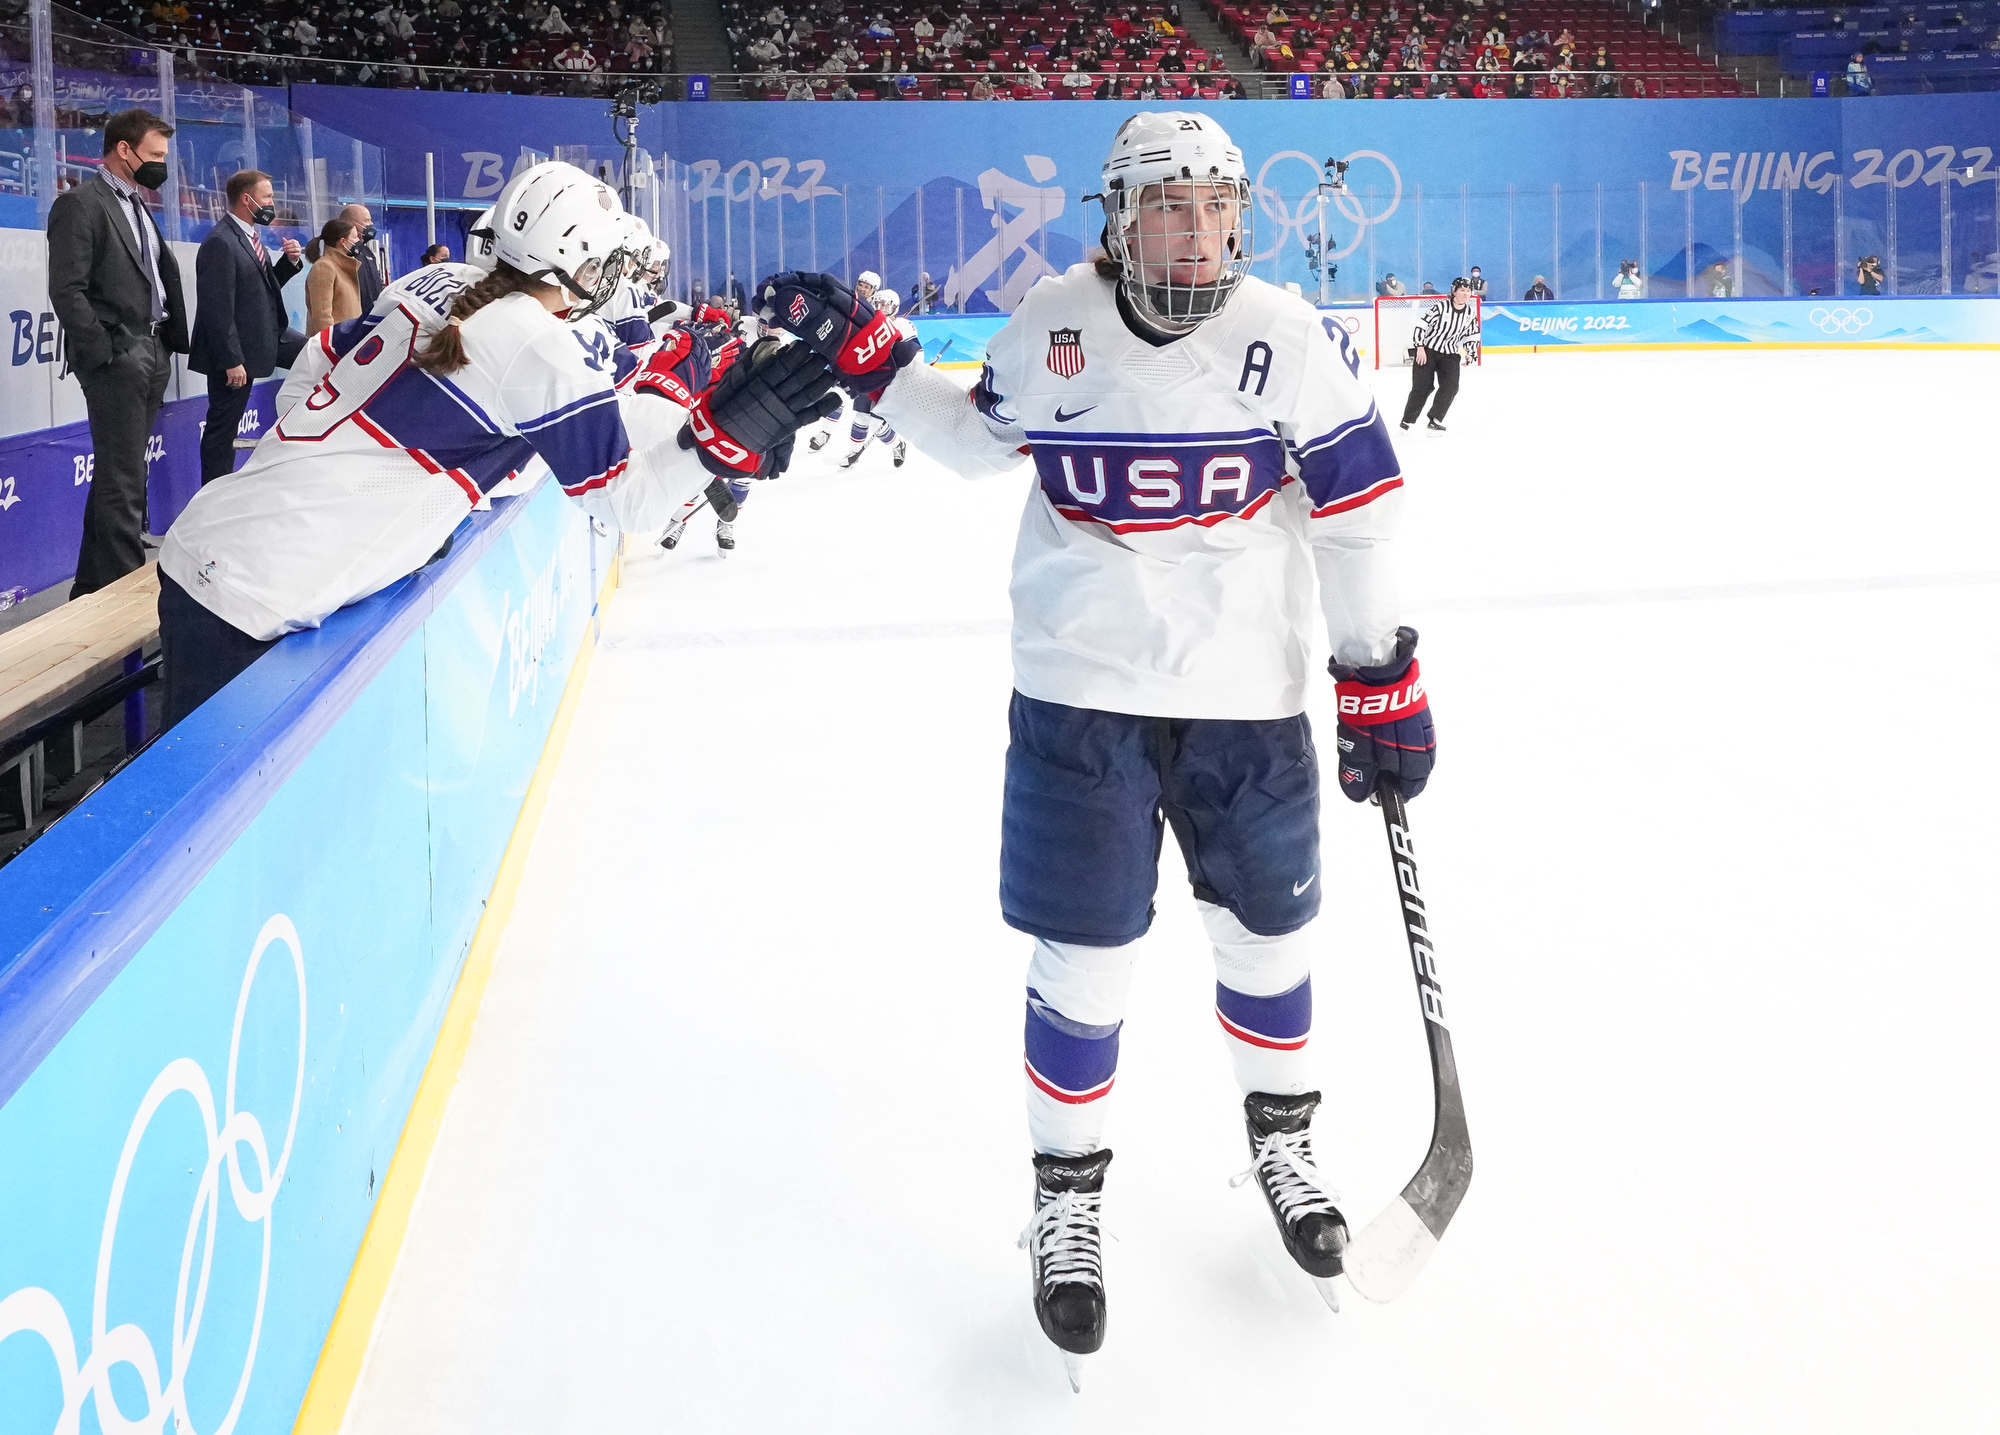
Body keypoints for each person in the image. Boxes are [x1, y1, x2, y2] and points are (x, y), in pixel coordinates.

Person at [757, 111, 1435, 1384]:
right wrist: (879, 363)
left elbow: (1357, 515)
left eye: (1215, 204)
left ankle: (1282, 1141)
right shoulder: (1053, 325)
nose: (1197, 227)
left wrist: (1376, 671)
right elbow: (971, 443)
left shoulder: (1286, 339)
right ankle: (1065, 1200)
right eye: (1168, 205)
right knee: (1084, 955)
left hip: (1247, 699)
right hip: (1076, 694)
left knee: (1269, 939)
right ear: (1117, 220)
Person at [155, 162, 840, 730]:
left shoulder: (435, 286)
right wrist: (724, 438)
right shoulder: (540, 343)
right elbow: (625, 501)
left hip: (218, 539)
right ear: (578, 259)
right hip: (258, 590)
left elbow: (310, 368)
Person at [46, 107, 190, 597]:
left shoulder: (138, 205)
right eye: (154, 155)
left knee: (122, 471)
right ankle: (123, 591)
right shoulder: (81, 204)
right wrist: (107, 351)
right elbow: (67, 290)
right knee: (123, 476)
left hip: (153, 349)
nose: (162, 166)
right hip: (118, 355)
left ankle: (90, 589)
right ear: (123, 150)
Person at [189, 169, 306, 485]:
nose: (273, 203)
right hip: (234, 352)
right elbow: (216, 309)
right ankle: (212, 498)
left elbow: (263, 291)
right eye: (267, 196)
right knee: (223, 427)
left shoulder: (251, 237)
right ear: (247, 199)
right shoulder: (221, 242)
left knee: (316, 353)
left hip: (263, 338)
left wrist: (289, 264)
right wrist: (231, 361)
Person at [831, 287, 917, 471]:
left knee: (877, 422)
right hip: (870, 376)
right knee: (861, 417)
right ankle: (853, 453)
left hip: (891, 381)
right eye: (878, 304)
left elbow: (915, 350)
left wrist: (911, 372)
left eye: (885, 305)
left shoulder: (902, 324)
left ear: (894, 307)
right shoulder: (871, 324)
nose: (881, 308)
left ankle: (897, 446)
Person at [1400, 277, 1478, 432]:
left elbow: (1472, 334)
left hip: (1449, 354)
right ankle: (1408, 420)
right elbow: (1422, 324)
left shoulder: (1470, 313)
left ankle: (1434, 419)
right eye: (1462, 290)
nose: (1465, 294)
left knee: (1451, 387)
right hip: (1428, 351)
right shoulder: (1441, 307)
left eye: (1468, 291)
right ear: (1454, 291)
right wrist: (1419, 346)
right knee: (1422, 387)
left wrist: (1470, 353)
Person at [305, 218, 365, 335]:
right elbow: (322, 316)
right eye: (354, 237)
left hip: (346, 343)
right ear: (342, 241)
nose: (358, 240)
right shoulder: (324, 267)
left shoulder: (342, 267)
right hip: (334, 346)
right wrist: (330, 345)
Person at [338, 202, 385, 307]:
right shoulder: (339, 250)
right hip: (351, 318)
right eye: (366, 220)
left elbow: (376, 281)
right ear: (350, 223)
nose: (371, 224)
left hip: (372, 314)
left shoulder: (366, 251)